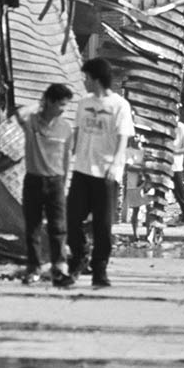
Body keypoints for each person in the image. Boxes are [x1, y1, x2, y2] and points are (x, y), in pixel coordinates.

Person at [67, 57, 135, 288]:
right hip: (82, 170)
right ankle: (79, 257)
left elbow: (122, 138)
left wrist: (115, 165)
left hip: (106, 173)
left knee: (103, 226)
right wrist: (69, 157)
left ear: (96, 79)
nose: (84, 82)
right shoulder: (83, 103)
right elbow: (76, 134)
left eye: (86, 78)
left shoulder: (119, 105)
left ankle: (100, 269)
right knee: (72, 219)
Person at [13, 83, 75, 287]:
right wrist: (40, 105)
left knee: (58, 228)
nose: (63, 109)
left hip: (56, 182)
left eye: (66, 105)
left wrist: (65, 184)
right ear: (49, 101)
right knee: (33, 227)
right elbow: (18, 112)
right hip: (33, 180)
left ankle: (59, 268)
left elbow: (66, 159)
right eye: (60, 104)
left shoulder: (66, 128)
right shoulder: (31, 122)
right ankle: (34, 269)